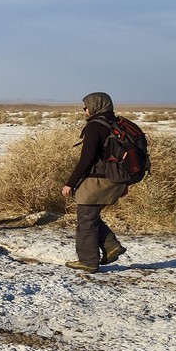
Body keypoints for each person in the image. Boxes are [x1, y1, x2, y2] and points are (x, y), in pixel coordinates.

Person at [61, 91, 128, 272]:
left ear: (96, 106)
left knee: (86, 220)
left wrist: (70, 183)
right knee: (90, 216)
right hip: (116, 178)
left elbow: (87, 159)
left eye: (86, 106)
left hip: (98, 179)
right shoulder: (115, 123)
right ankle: (111, 246)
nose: (84, 110)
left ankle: (88, 261)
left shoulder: (95, 126)